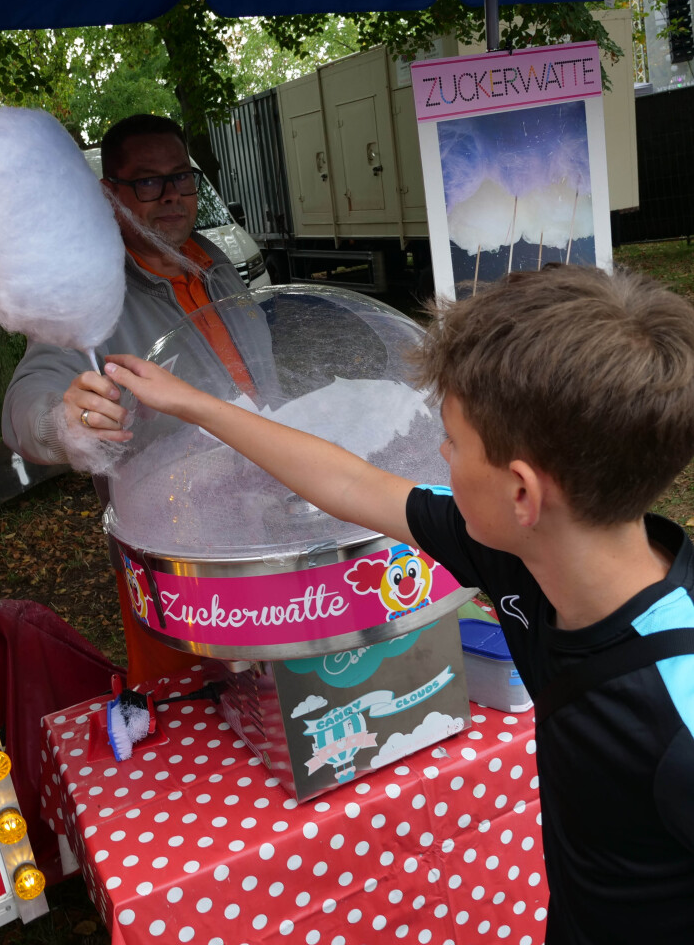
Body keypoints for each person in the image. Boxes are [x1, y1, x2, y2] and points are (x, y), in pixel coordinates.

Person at [103, 264, 694, 945]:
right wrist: (195, 405)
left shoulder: (673, 707)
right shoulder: (519, 551)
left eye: (451, 441)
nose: (435, 454)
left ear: (522, 493)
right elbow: (353, 482)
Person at [2, 113, 268, 683]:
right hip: (179, 558)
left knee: (286, 699)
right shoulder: (88, 297)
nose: (171, 195)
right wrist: (62, 421)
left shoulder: (216, 266)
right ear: (111, 194)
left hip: (272, 521)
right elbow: (25, 401)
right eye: (147, 181)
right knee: (199, 713)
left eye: (181, 177)